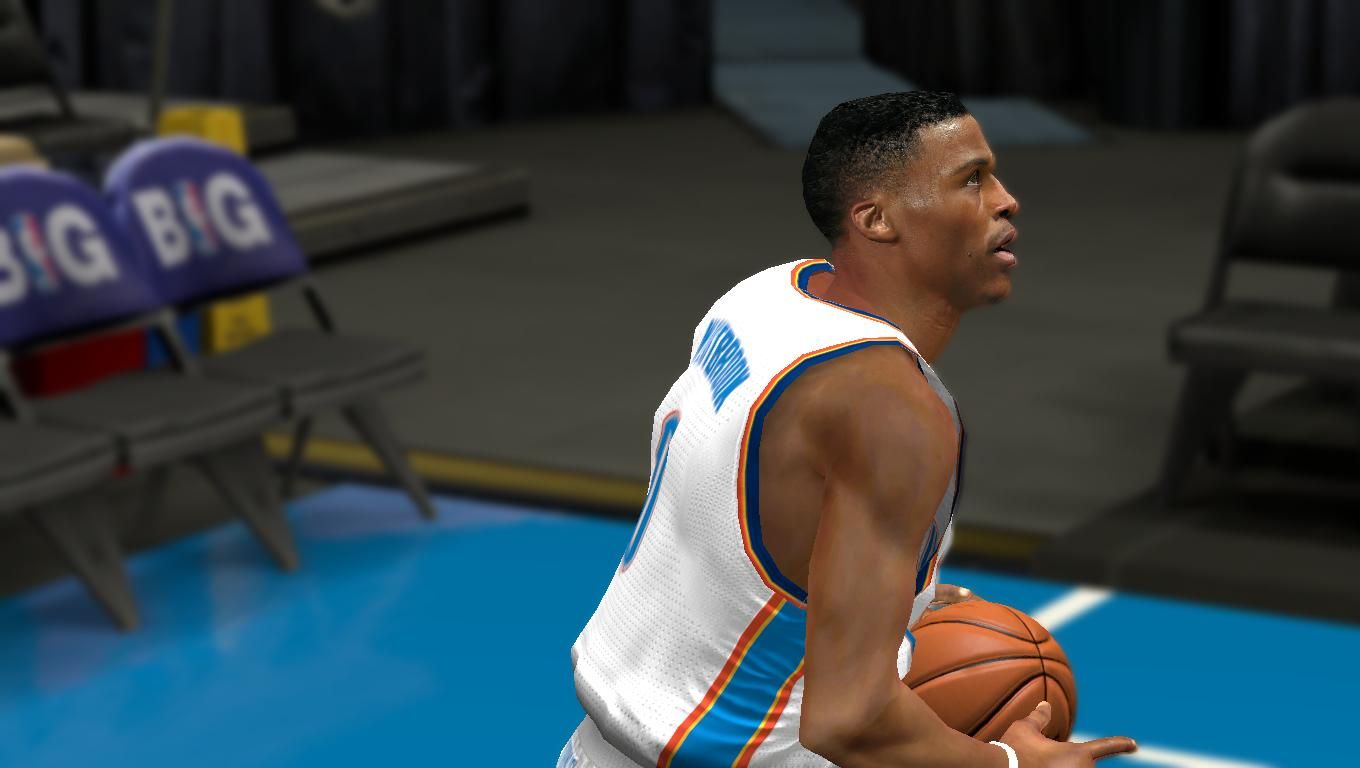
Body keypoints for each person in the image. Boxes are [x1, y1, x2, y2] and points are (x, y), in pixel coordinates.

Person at [560, 91, 1137, 767]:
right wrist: (1011, 765)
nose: (1006, 201)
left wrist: (882, 598)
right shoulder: (890, 408)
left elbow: (721, 504)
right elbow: (848, 722)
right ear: (875, 219)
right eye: (971, 180)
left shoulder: (770, 294)